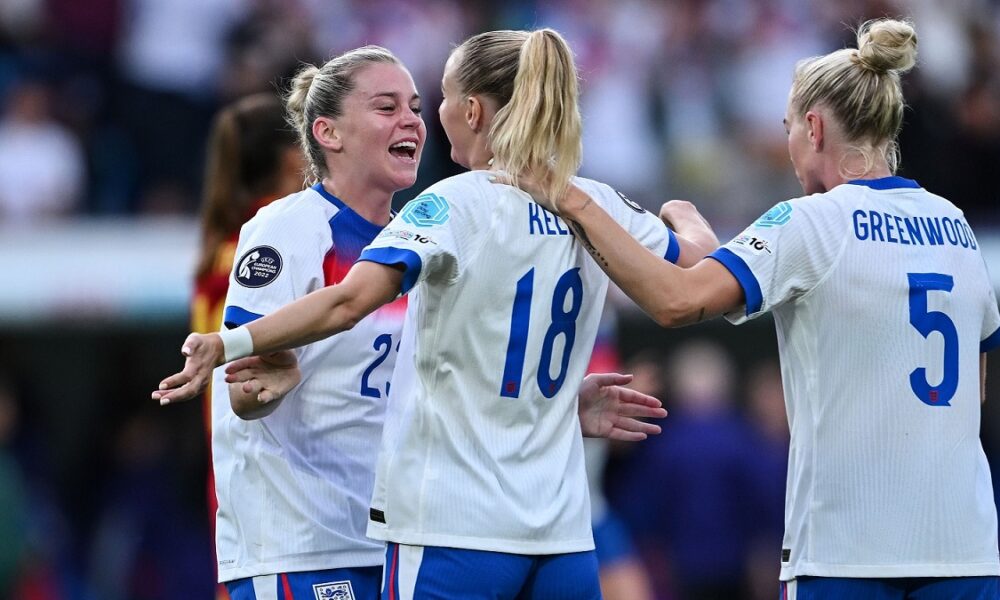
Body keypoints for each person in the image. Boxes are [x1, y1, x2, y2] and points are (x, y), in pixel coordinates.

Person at [154, 28, 718, 598]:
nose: (414, 120)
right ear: (327, 132)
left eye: (420, 106)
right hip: (306, 539)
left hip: (401, 532)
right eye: (387, 107)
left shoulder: (431, 232)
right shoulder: (289, 228)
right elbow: (246, 392)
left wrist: (556, 404)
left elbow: (441, 377)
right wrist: (257, 378)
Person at [501, 18, 1000, 599]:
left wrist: (572, 198)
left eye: (788, 129)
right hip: (966, 548)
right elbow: (975, 389)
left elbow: (674, 301)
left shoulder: (811, 222)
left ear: (813, 128)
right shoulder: (955, 225)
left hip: (847, 552)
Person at [190, 92, 305, 600]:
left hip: (236, 458)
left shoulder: (222, 246)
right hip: (269, 463)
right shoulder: (267, 247)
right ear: (294, 159)